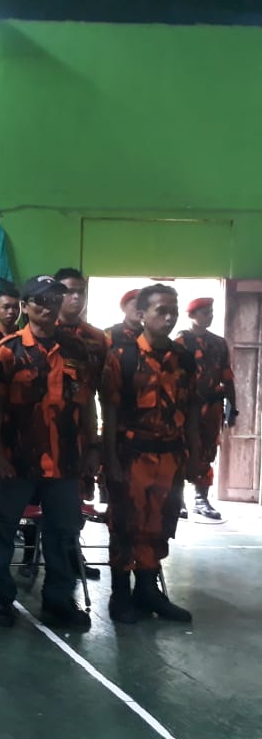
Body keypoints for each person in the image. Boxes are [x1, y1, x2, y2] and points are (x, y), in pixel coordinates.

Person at [0, 275, 98, 631]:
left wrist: (93, 447)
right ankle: (0, 599)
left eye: (54, 299)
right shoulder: (7, 350)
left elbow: (88, 403)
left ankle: (58, 601)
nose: (48, 306)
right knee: (4, 530)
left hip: (65, 459)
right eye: (40, 300)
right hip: (18, 459)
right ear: (25, 306)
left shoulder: (76, 349)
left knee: (63, 532)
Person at [102, 284, 200, 624]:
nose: (170, 318)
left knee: (160, 524)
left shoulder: (183, 358)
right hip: (132, 455)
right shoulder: (122, 356)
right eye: (162, 311)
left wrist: (194, 455)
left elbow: (191, 410)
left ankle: (147, 590)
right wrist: (110, 460)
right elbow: (110, 411)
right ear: (142, 315)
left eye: (174, 311)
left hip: (171, 457)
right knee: (125, 524)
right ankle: (120, 595)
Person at [54, 266, 109, 578]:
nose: (75, 298)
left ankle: (72, 556)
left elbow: (101, 394)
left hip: (80, 434)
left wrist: (96, 443)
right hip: (42, 435)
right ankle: (44, 559)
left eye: (80, 292)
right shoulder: (41, 331)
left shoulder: (96, 339)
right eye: (68, 292)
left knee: (76, 499)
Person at [175, 297, 237, 522]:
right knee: (181, 449)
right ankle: (178, 500)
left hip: (212, 407)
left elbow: (227, 376)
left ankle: (201, 499)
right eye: (205, 313)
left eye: (211, 312)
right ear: (192, 316)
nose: (209, 316)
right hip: (185, 406)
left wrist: (233, 407)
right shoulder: (181, 341)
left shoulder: (219, 343)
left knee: (208, 451)